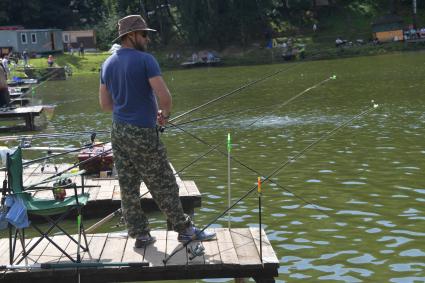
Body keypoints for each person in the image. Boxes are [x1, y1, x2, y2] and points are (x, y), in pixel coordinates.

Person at [99, 14, 216, 248]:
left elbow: (105, 105)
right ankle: (184, 230)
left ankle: (140, 235)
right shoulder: (146, 60)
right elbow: (165, 97)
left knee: (128, 185)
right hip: (142, 132)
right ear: (131, 36)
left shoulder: (107, 63)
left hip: (118, 131)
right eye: (144, 34)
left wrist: (127, 111)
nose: (147, 39)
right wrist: (164, 114)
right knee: (164, 182)